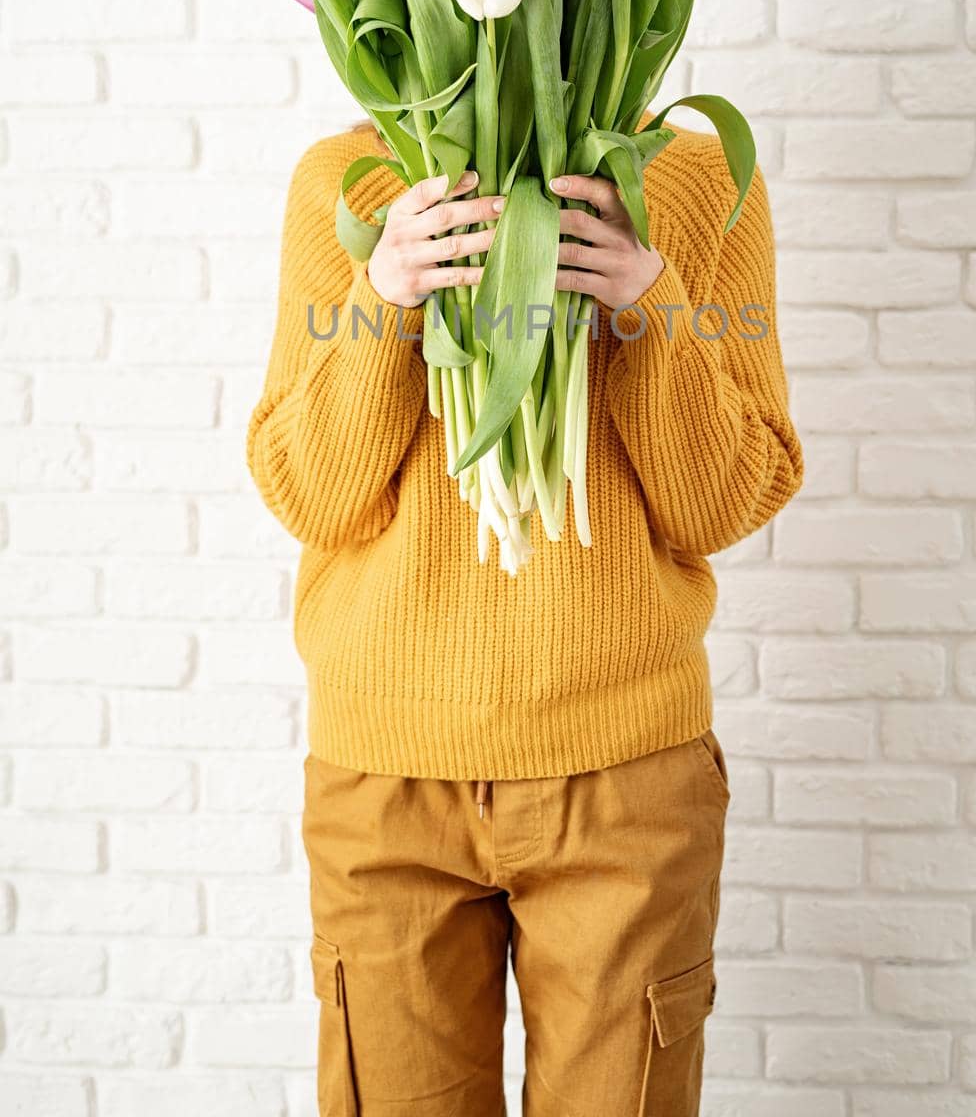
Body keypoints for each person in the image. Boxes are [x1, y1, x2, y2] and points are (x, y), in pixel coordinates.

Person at [248, 96, 803, 1115]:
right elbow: (308, 492)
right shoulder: (351, 183)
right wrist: (384, 295)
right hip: (388, 778)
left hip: (624, 778)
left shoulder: (694, 180)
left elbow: (728, 499)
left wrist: (648, 302)